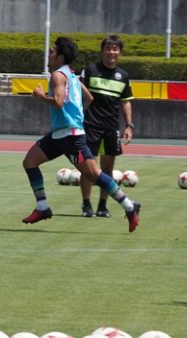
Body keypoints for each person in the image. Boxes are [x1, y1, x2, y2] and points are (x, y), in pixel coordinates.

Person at [21, 37, 142, 232]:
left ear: (61, 56)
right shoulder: (71, 75)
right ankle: (42, 207)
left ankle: (130, 206)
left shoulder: (58, 76)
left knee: (93, 174)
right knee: (30, 161)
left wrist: (40, 96)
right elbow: (89, 97)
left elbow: (58, 102)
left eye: (53, 50)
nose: (49, 53)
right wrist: (76, 115)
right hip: (60, 134)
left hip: (70, 137)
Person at [78, 35, 134, 218]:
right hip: (90, 125)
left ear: (120, 52)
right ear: (102, 51)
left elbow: (125, 102)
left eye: (115, 49)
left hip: (111, 127)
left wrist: (129, 125)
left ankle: (103, 206)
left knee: (108, 169)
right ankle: (86, 204)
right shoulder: (90, 70)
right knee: (88, 167)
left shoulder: (123, 76)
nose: (111, 52)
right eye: (108, 48)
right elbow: (78, 94)